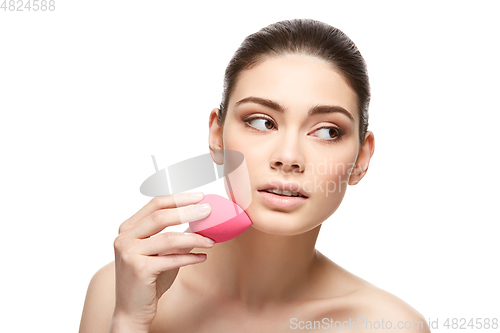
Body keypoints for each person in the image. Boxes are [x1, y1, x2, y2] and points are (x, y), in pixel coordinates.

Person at [79, 19, 430, 332]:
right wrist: (128, 321)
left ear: (361, 158)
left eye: (327, 131)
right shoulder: (119, 291)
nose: (288, 157)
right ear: (217, 136)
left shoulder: (388, 325)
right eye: (262, 122)